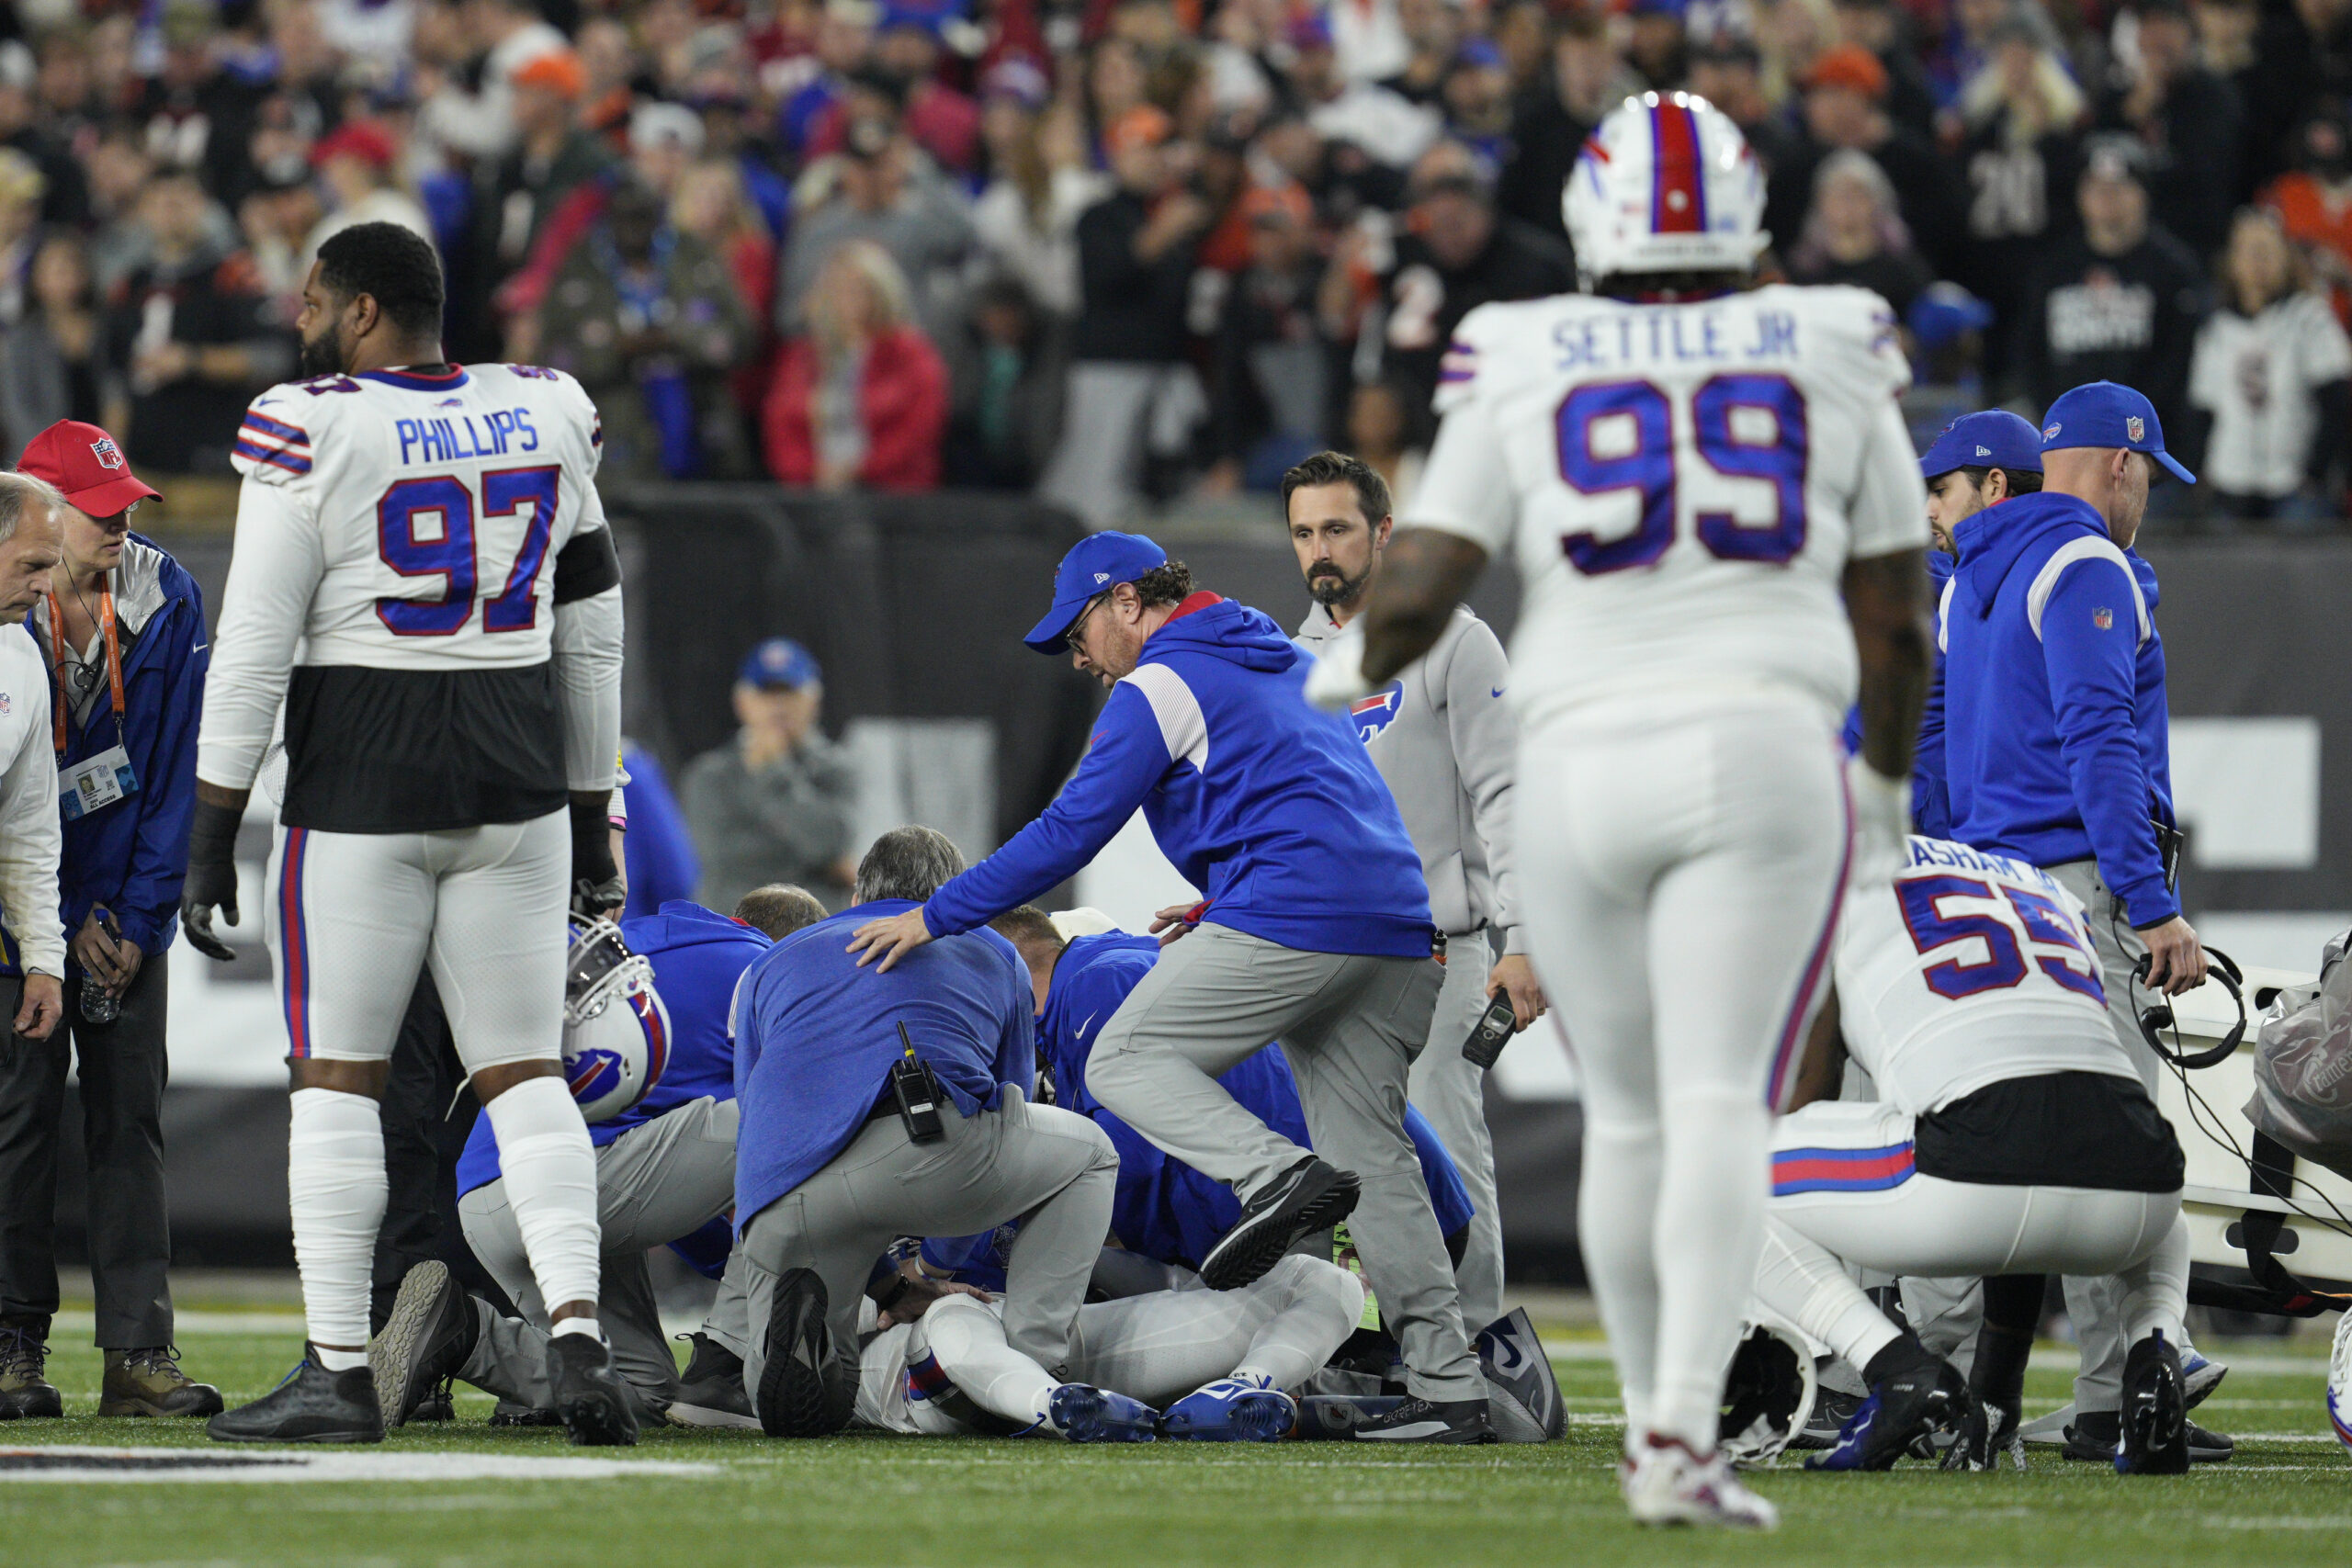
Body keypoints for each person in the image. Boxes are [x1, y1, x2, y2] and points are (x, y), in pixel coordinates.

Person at [1322, 94, 1933, 1525]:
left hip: (1584, 748)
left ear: (1592, 218)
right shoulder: (1833, 335)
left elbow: (1421, 583)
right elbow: (1897, 619)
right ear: (1747, 218)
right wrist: (1888, 784)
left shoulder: (1527, 344)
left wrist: (1319, 681)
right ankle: (1673, 1433)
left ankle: (1660, 1426)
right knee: (1727, 1098)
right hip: (1762, 739)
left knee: (1633, 1118)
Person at [845, 533, 1490, 1445]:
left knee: (1126, 1058)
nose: (1077, 659)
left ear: (1124, 604)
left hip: (1301, 914)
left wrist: (936, 914)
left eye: (1076, 634)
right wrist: (1228, 898)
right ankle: (1449, 1385)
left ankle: (1276, 1179)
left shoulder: (1161, 678)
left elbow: (1071, 829)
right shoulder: (1277, 657)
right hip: (1396, 927)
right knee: (1374, 1160)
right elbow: (1333, 792)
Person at [181, 221, 633, 1447]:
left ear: (366, 307)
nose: (302, 318)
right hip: (521, 772)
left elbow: (258, 637)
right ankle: (580, 1340)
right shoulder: (546, 405)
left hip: (366, 778)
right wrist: (598, 813)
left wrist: (213, 822)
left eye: (317, 297)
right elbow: (592, 629)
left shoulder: (310, 421)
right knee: (524, 1070)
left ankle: (339, 1370)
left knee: (336, 1077)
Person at [1938, 378, 2234, 1465]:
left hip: (1984, 891)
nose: (2145, 495)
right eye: (2148, 473)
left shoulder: (1966, 571)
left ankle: (2004, 1389)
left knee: (2026, 1148)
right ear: (2120, 462)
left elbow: (1941, 749)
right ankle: (2123, 1385)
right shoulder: (2085, 563)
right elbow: (2099, 738)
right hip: (2073, 891)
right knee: (2125, 1143)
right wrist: (2150, 905)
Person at [1754, 837, 2192, 1474]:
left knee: (1724, 1168)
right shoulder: (2040, 886)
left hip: (1967, 1182)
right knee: (2121, 1161)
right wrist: (1996, 1389)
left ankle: (1894, 1369)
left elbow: (1807, 1092)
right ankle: (2155, 1353)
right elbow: (2045, 1109)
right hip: (2138, 1198)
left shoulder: (1830, 872)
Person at [730, 827, 1123, 1438]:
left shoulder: (770, 962)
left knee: (811, 1381)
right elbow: (1008, 1100)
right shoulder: (988, 946)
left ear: (858, 893)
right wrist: (935, 1262)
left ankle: (798, 1376)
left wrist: (885, 1282)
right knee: (1090, 1155)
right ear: (954, 897)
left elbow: (752, 1108)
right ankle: (1032, 1359)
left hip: (785, 1197)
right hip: (922, 1153)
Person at [1282, 450, 1537, 1336]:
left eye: (1338, 529)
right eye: (1306, 532)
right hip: (1330, 955)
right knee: (1337, 1159)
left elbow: (1508, 795)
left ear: (1384, 533)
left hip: (1443, 943)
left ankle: (1472, 1352)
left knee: (1449, 1151)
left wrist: (1523, 938)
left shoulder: (1456, 641)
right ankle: (1348, 1339)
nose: (1321, 550)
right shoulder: (1292, 656)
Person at [372, 893, 795, 1428]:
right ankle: (725, 1362)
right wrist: (884, 1282)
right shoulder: (765, 975)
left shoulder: (631, 940)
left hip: (486, 1196)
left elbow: (671, 1185)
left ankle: (466, 1333)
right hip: (576, 1182)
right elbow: (775, 1145)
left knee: (645, 1392)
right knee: (787, 1118)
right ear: (791, 948)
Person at [0, 422, 215, 1420]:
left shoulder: (167, 597)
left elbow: (173, 777)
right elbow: (23, 803)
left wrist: (134, 920)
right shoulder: (12, 609)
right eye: (101, 511)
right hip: (28, 913)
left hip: (125, 915)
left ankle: (139, 1354)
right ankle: (14, 1347)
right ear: (35, 501)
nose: (122, 525)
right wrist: (59, 919)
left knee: (130, 1122)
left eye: (128, 505)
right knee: (21, 1125)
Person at [986, 907, 1476, 1294]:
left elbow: (1124, 1162)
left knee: (1263, 1361)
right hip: (1361, 1199)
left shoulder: (1098, 984)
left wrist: (999, 1221)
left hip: (1354, 1210)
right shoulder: (1111, 978)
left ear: (1004, 971)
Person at [854, 1254, 1364, 1440]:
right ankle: (1055, 1409)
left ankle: (1242, 1390)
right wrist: (897, 1289)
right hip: (921, 1353)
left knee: (1319, 1281)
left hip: (1062, 1331)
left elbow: (1131, 1263)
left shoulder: (1034, 1123)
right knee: (951, 1317)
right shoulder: (835, 1167)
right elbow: (791, 1312)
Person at [1038, 106, 1212, 528]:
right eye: (1142, 151)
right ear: (1117, 156)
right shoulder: (1100, 216)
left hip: (1168, 369)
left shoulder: (1176, 215)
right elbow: (1104, 280)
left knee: (1162, 491)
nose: (1153, 161)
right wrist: (1163, 233)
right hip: (1109, 367)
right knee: (1091, 487)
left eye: (1160, 151)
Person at [0, 474, 74, 1419]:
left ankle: (12, 1340)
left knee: (18, 1146)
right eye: (30, 563)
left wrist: (45, 950)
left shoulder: (20, 656)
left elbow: (29, 822)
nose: (45, 584)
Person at [538, 179, 755, 483]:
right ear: (607, 218)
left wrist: (678, 338)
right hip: (615, 440)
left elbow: (741, 336)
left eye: (643, 216)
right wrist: (616, 348)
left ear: (659, 218)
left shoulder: (692, 258)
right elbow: (553, 359)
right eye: (624, 217)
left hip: (702, 434)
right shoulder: (581, 265)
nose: (634, 227)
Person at [2017, 141, 2207, 436]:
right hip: (2069, 439)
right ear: (2080, 196)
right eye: (2096, 187)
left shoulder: (2173, 269)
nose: (2107, 197)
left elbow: (2182, 362)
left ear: (2143, 195)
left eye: (2119, 187)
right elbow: (2030, 352)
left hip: (2151, 443)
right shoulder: (2055, 267)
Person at [2186, 208, 2352, 521]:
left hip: (2294, 486)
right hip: (2229, 482)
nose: (2257, 261)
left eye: (2267, 250)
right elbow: (2201, 410)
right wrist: (2199, 475)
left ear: (2286, 259)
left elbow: (2337, 402)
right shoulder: (2218, 328)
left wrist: (2316, 473)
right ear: (2232, 262)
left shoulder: (2311, 318)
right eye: (2248, 251)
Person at [679, 637, 857, 914]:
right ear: (742, 701)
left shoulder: (835, 768)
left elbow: (831, 841)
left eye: (790, 692)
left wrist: (772, 770)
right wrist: (821, 864)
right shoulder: (709, 773)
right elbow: (722, 856)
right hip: (733, 925)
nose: (779, 704)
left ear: (814, 700)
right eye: (767, 693)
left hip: (812, 929)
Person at [761, 239, 949, 491]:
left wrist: (860, 469)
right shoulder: (803, 355)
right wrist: (809, 471)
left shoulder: (910, 352)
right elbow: (780, 421)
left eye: (860, 288)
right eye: (839, 288)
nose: (849, 297)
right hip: (814, 492)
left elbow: (920, 426)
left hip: (892, 490)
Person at [1787, 151, 1937, 321]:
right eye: (1838, 195)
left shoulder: (1905, 270)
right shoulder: (1804, 272)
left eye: (1857, 194)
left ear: (1877, 202)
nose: (1847, 204)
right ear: (1821, 204)